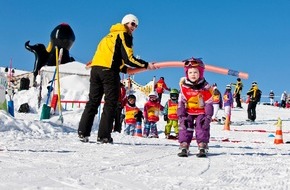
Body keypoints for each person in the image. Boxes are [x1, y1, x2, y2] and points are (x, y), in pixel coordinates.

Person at [78, 14, 155, 143]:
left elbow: (114, 59)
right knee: (111, 102)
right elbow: (129, 58)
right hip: (108, 72)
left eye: (136, 25)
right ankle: (103, 136)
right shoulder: (124, 35)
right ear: (125, 23)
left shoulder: (107, 37)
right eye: (132, 24)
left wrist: (126, 69)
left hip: (96, 70)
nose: (134, 27)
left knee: (93, 101)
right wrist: (146, 65)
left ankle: (83, 132)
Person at [177, 58, 213, 157]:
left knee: (201, 126)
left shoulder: (205, 87)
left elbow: (209, 102)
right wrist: (181, 115)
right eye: (190, 72)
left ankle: (202, 145)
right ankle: (184, 145)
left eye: (195, 72)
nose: (193, 74)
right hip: (189, 111)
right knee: (185, 125)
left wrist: (208, 116)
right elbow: (181, 102)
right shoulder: (184, 87)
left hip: (201, 111)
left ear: (200, 73)